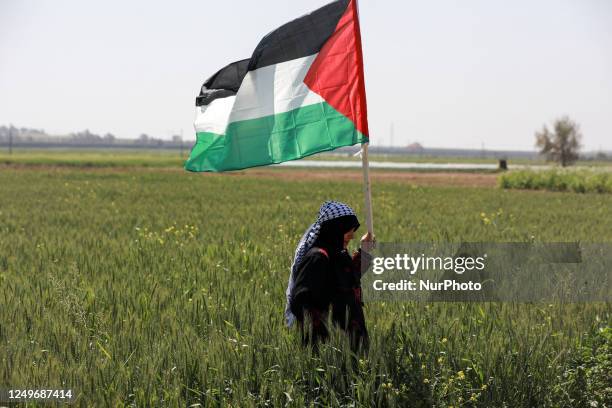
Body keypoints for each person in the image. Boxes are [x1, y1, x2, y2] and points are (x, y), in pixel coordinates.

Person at [284, 200, 375, 351]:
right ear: (335, 229)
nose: (352, 236)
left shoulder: (337, 254)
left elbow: (350, 279)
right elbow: (301, 301)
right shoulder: (318, 257)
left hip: (348, 345)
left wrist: (364, 251)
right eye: (348, 231)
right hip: (332, 349)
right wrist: (326, 336)